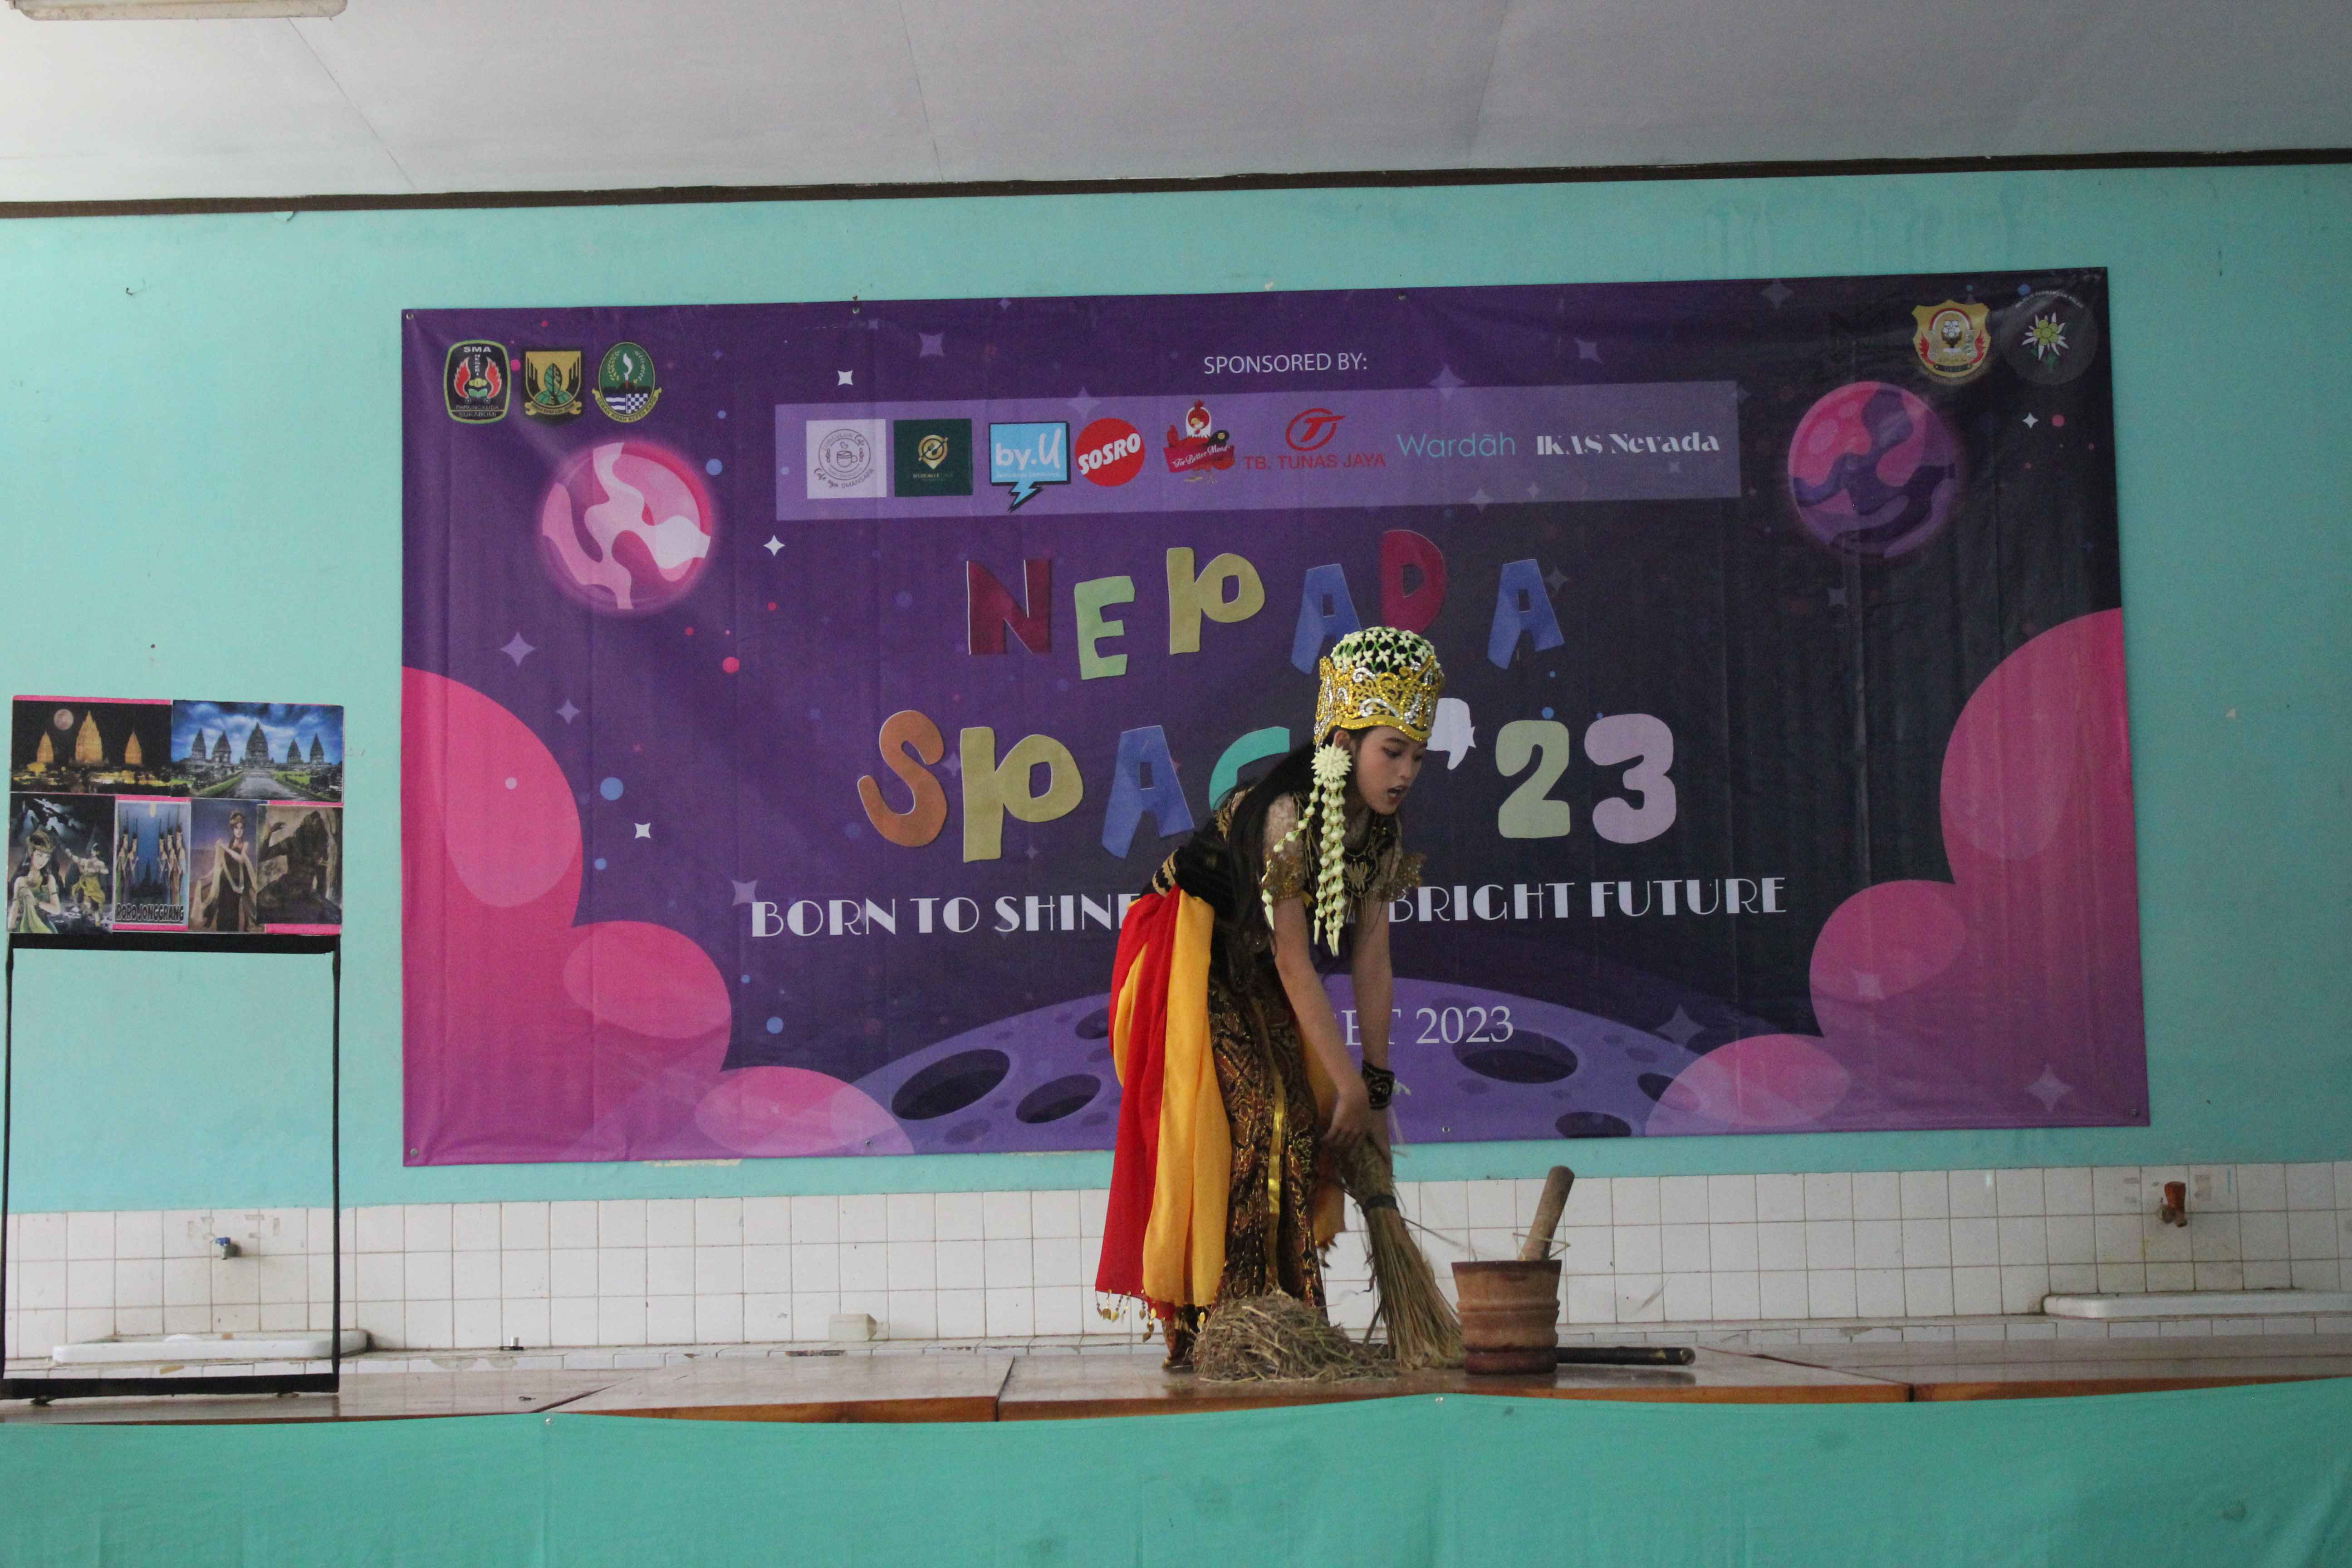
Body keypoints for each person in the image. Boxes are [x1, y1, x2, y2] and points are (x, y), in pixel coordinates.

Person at [1096, 626, 1443, 1367]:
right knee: (1257, 1114)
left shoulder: (1379, 831)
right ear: (1344, 743)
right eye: (1392, 751)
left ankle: (1286, 1315)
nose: (1406, 772)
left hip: (1251, 958)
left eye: (1417, 756)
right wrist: (1348, 1083)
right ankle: (1213, 1324)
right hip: (1185, 945)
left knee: (1302, 1121)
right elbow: (1293, 956)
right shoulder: (1286, 812)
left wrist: (1374, 1086)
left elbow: (1371, 957)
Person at [194, 810, 259, 931]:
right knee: (222, 913)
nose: (239, 831)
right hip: (224, 885)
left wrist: (224, 848)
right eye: (236, 828)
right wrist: (207, 876)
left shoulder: (245, 844)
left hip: (236, 886)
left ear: (244, 829)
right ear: (233, 829)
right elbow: (220, 865)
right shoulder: (229, 845)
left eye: (241, 828)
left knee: (233, 913)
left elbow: (241, 859)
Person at [7, 828, 66, 935]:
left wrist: (36, 902)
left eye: (47, 857)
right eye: (40, 855)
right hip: (24, 927)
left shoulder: (49, 879)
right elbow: (14, 909)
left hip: (44, 927)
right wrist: (9, 930)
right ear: (31, 853)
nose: (43, 861)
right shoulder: (20, 881)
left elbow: (57, 910)